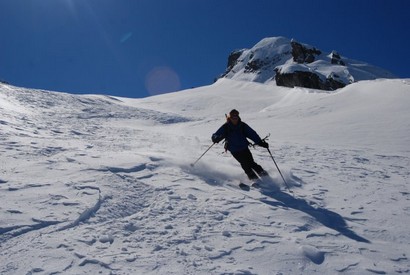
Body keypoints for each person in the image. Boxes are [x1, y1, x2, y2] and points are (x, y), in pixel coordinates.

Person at [212, 109, 269, 181]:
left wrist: (260, 142)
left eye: (236, 117)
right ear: (230, 118)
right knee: (244, 163)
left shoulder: (242, 125)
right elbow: (215, 135)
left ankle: (264, 175)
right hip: (234, 150)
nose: (235, 119)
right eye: (233, 118)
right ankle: (253, 178)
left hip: (244, 147)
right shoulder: (225, 127)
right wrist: (215, 138)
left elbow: (252, 134)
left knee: (251, 162)